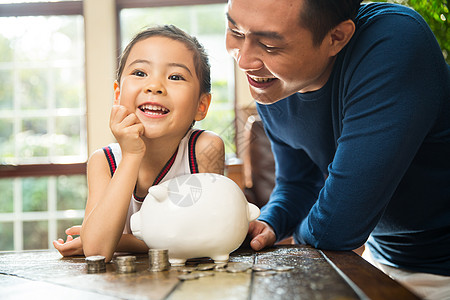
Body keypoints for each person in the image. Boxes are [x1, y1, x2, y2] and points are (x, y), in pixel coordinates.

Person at [225, 0, 450, 299]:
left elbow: (337, 225)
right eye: (235, 30)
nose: (244, 61)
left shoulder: (394, 39)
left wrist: (295, 247)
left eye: (268, 44)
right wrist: (270, 221)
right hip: (380, 262)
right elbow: (299, 184)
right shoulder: (275, 82)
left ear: (337, 37)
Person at [53, 25, 225, 262]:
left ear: (201, 105)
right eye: (140, 73)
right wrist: (132, 155)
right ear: (117, 94)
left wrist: (123, 241)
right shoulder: (104, 161)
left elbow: (206, 237)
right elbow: (97, 251)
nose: (154, 86)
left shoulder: (204, 148)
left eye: (175, 77)